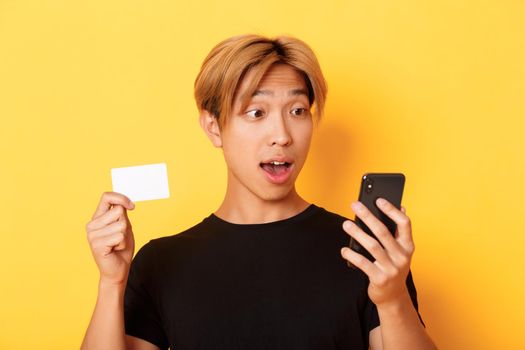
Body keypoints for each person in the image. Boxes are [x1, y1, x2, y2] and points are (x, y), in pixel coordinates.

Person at [81, 34, 437, 350]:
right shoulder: (161, 263)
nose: (282, 134)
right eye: (256, 112)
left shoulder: (366, 253)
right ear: (213, 127)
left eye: (298, 111)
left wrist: (392, 299)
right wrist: (112, 282)